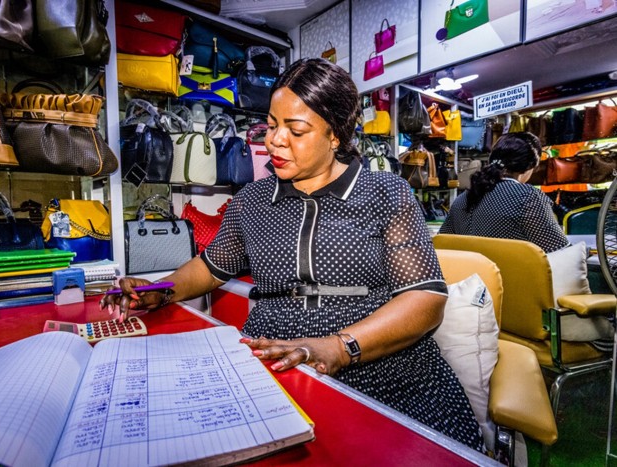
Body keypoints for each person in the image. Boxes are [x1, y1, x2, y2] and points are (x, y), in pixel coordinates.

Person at [102, 58, 485, 452]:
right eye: (271, 125)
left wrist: (337, 347)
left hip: (383, 375)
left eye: (295, 130)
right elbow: (211, 267)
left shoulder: (385, 193)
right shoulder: (252, 200)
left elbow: (425, 299)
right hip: (273, 368)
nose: (274, 141)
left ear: (335, 135)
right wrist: (161, 289)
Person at [439, 131, 570, 252]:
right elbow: (560, 250)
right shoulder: (527, 197)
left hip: (472, 275)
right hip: (511, 276)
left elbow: (442, 243)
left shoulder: (462, 199)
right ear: (529, 167)